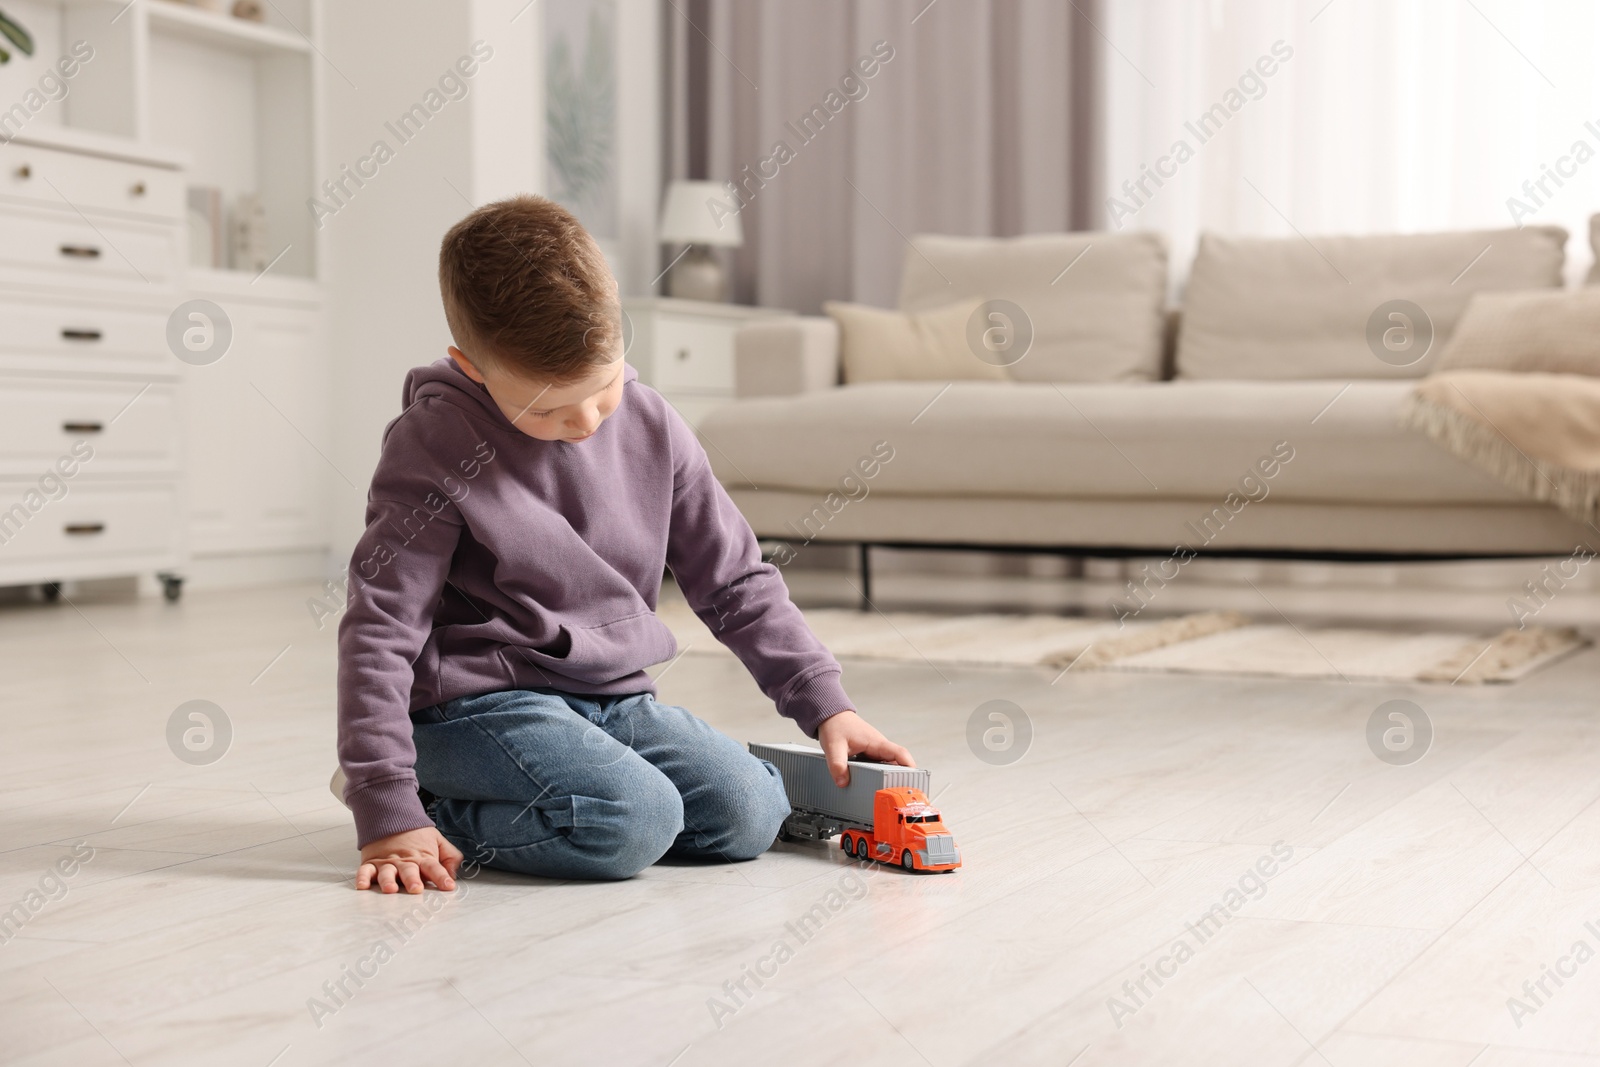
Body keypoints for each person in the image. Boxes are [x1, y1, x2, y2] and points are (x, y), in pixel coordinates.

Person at [336, 195, 913, 894]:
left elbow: (735, 580)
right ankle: (428, 797)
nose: (584, 421)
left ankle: (571, 792)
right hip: (478, 706)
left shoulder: (652, 424)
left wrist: (827, 704)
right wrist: (384, 801)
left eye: (603, 388)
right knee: (632, 822)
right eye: (545, 408)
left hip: (614, 698)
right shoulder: (435, 444)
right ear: (471, 367)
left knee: (751, 812)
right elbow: (381, 624)